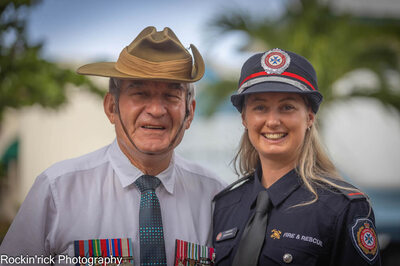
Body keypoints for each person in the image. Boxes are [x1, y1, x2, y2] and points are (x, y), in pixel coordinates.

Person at [0, 26, 225, 266]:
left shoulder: (216, 198)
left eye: (171, 96)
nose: (156, 110)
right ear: (111, 108)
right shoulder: (57, 190)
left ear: (189, 112)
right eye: (140, 94)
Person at [212, 48, 381, 265]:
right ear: (244, 118)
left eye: (287, 107)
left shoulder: (344, 209)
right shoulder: (223, 206)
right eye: (260, 107)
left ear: (309, 117)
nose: (272, 121)